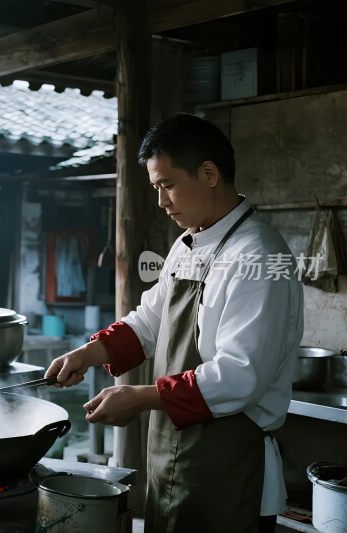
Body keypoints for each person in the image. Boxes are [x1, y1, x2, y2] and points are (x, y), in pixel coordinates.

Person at [46, 113, 303, 533]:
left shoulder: (256, 256)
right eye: (155, 189)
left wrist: (139, 397)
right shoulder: (188, 245)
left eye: (167, 185)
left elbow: (240, 375)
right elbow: (150, 319)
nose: (162, 202)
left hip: (230, 466)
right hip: (175, 458)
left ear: (208, 173)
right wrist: (88, 352)